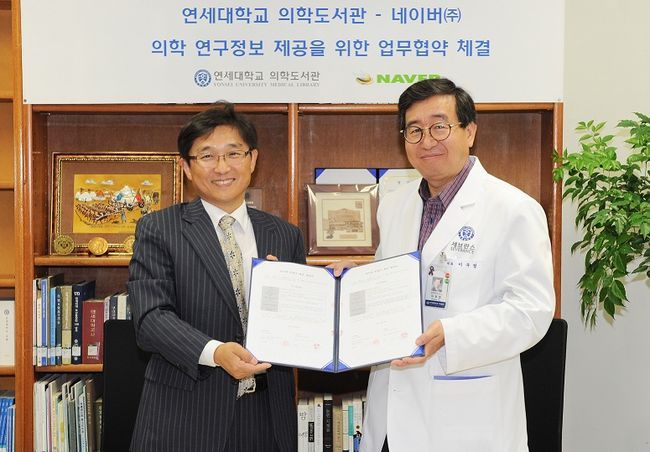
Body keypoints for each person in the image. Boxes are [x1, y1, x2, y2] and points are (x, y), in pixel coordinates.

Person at [332, 78, 555, 451]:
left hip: (467, 414)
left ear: (470, 132)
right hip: (392, 409)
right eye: (414, 131)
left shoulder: (514, 209)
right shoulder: (394, 205)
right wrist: (357, 280)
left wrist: (453, 333)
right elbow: (391, 282)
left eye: (439, 127)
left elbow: (531, 312)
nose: (426, 141)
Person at [128, 102, 305, 452]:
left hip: (266, 416)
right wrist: (216, 352)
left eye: (234, 153)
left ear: (253, 160)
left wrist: (325, 292)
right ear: (186, 167)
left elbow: (300, 325)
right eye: (207, 156)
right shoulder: (159, 229)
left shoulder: (285, 235)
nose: (222, 167)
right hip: (186, 416)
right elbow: (150, 319)